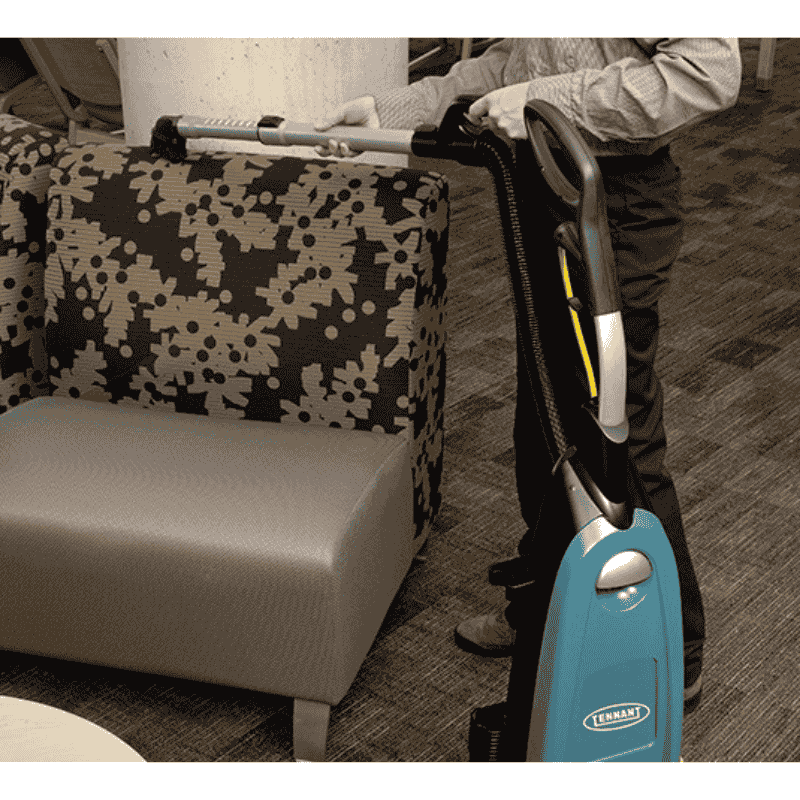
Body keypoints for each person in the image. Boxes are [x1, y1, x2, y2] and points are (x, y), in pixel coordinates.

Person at [315, 38, 742, 714]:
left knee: (615, 437)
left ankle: (674, 646)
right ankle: (546, 607)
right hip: (541, 194)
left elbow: (706, 74)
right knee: (544, 420)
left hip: (615, 206)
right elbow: (515, 64)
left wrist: (546, 104)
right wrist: (394, 108)